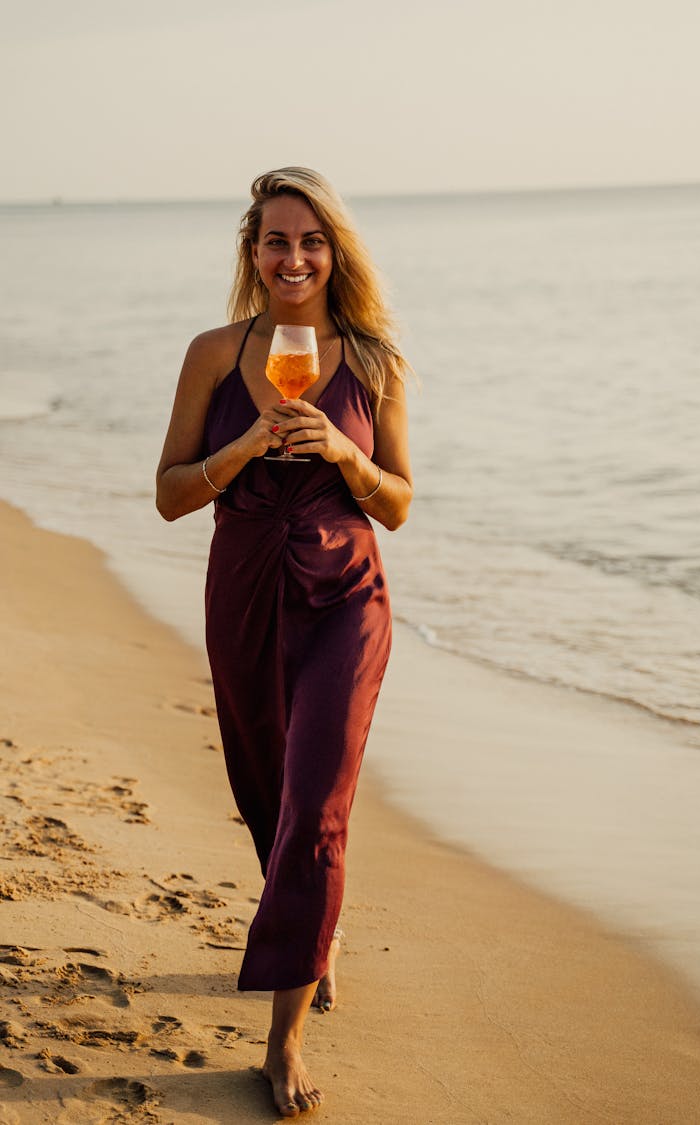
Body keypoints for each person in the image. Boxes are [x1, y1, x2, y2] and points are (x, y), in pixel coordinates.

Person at [155, 167, 412, 1117]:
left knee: (316, 800)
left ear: (333, 250)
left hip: (346, 595)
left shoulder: (374, 361)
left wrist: (347, 456)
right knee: (264, 784)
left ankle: (283, 1041)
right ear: (251, 252)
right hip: (246, 586)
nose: (293, 257)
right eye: (275, 240)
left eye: (310, 240)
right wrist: (248, 446)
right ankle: (316, 929)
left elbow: (401, 503)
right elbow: (172, 492)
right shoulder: (216, 354)